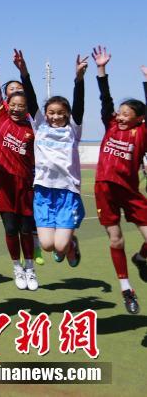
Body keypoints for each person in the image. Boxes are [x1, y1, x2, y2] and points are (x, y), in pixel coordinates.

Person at [92, 46, 147, 314]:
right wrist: (101, 69)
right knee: (116, 240)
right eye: (120, 112)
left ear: (139, 118)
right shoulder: (111, 125)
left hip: (131, 192)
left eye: (127, 114)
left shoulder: (143, 133)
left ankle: (141, 257)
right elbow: (105, 98)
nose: (121, 116)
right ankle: (127, 289)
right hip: (105, 190)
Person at [0, 45, 39, 290]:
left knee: (26, 229)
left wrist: (24, 71)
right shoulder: (1, 116)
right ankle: (17, 267)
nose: (16, 108)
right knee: (10, 228)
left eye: (21, 105)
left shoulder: (32, 127)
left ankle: (30, 268)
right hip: (3, 185)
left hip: (25, 185)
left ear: (27, 108)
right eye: (13, 104)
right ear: (7, 104)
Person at [32, 54, 88, 268]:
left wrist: (79, 78)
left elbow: (79, 104)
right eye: (51, 113)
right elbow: (30, 96)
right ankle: (65, 244)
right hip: (43, 191)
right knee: (47, 245)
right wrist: (24, 71)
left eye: (61, 113)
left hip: (68, 192)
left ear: (67, 115)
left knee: (61, 246)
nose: (56, 117)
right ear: (45, 114)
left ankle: (71, 244)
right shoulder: (39, 126)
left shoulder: (73, 130)